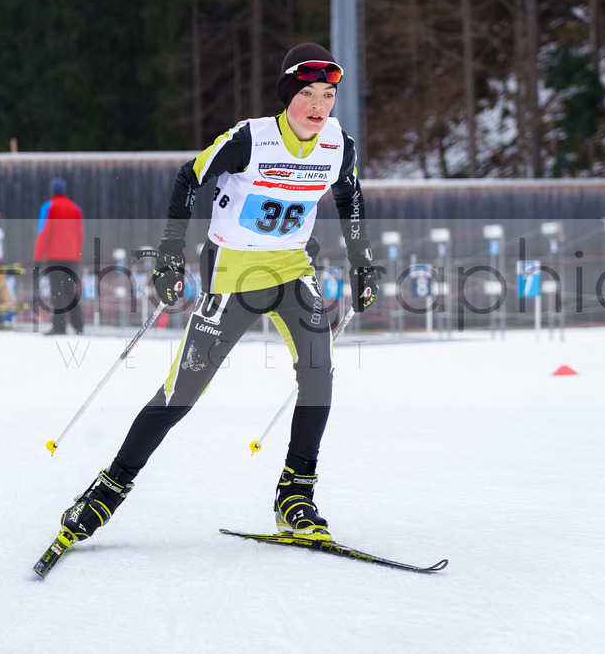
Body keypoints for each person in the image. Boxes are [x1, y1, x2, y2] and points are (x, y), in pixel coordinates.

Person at [54, 43, 382, 547]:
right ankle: (107, 490)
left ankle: (296, 494)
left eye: (329, 94)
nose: (319, 105)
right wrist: (169, 253)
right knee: (181, 394)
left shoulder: (340, 145)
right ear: (288, 96)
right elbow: (189, 176)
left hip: (293, 270)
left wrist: (362, 262)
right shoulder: (251, 139)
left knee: (319, 371)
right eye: (308, 94)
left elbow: (349, 194)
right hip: (232, 277)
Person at [34, 177, 85, 335]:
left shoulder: (48, 207)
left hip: (54, 255)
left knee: (57, 290)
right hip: (72, 256)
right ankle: (78, 325)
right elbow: (80, 233)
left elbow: (42, 233)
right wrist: (77, 255)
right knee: (70, 290)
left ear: (51, 190)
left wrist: (37, 257)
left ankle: (59, 326)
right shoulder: (76, 208)